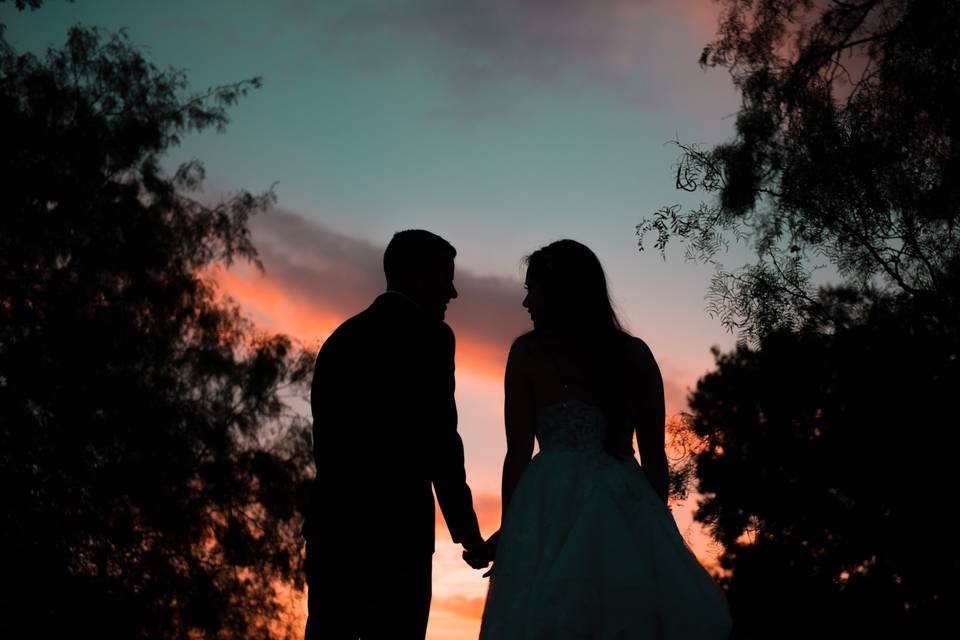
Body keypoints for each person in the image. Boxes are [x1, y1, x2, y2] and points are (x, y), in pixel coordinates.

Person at [478, 239, 732, 639]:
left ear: (561, 292)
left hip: (553, 500)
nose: (526, 304)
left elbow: (518, 454)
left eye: (532, 291)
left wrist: (513, 531)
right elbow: (653, 460)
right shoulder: (633, 354)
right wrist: (654, 528)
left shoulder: (527, 354)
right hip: (617, 497)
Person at [304, 229, 490, 640]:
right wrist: (468, 533)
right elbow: (441, 441)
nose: (454, 292)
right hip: (397, 542)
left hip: (333, 536)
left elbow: (327, 445)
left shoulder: (340, 339)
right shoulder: (433, 338)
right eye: (446, 278)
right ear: (414, 274)